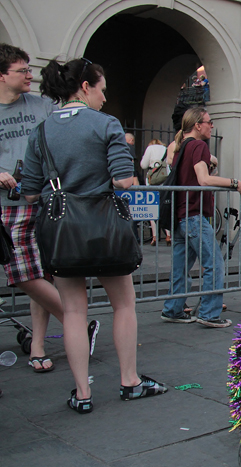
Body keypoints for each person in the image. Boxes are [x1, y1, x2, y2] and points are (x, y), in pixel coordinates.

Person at [21, 57, 164, 412]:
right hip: (104, 227)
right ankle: (129, 381)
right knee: (124, 305)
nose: (104, 97)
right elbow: (123, 181)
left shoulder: (41, 130)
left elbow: (29, 192)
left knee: (72, 312)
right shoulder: (106, 124)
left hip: (63, 230)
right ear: (86, 86)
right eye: (102, 89)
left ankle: (82, 394)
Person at [0, 44, 100, 377]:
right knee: (21, 271)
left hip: (41, 200)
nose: (30, 74)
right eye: (22, 70)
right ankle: (78, 322)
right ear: (2, 75)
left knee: (40, 273)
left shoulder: (42, 106)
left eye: (29, 69)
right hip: (6, 204)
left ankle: (39, 346)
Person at [161, 108, 241, 327]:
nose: (212, 126)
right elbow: (203, 180)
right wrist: (234, 183)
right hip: (193, 215)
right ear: (197, 125)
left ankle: (173, 309)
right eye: (209, 122)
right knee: (214, 263)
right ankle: (210, 314)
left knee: (181, 266)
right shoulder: (199, 146)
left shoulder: (181, 147)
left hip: (180, 216)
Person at [140, 138, 171, 246]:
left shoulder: (150, 148)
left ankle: (155, 236)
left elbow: (143, 165)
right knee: (165, 206)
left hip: (152, 181)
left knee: (152, 206)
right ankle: (168, 235)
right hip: (164, 180)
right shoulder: (166, 149)